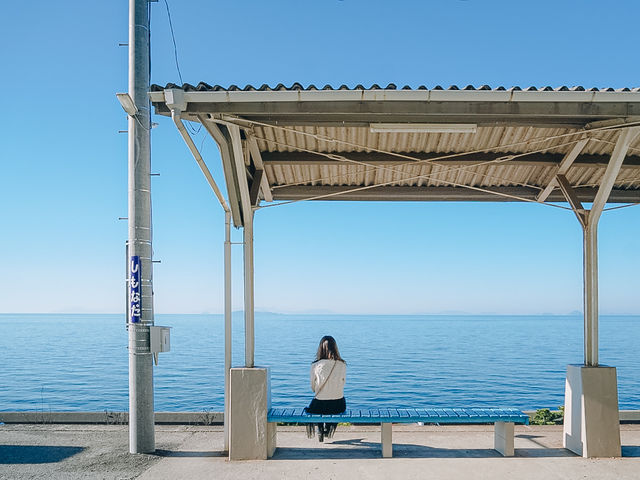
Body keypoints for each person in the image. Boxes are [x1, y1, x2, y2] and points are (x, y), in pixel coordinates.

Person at [305, 335, 347, 442]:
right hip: (338, 404)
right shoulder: (342, 365)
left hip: (320, 404)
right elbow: (342, 384)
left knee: (316, 405)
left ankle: (320, 429)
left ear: (320, 348)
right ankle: (328, 429)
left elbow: (313, 388)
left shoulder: (315, 365)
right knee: (334, 403)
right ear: (335, 348)